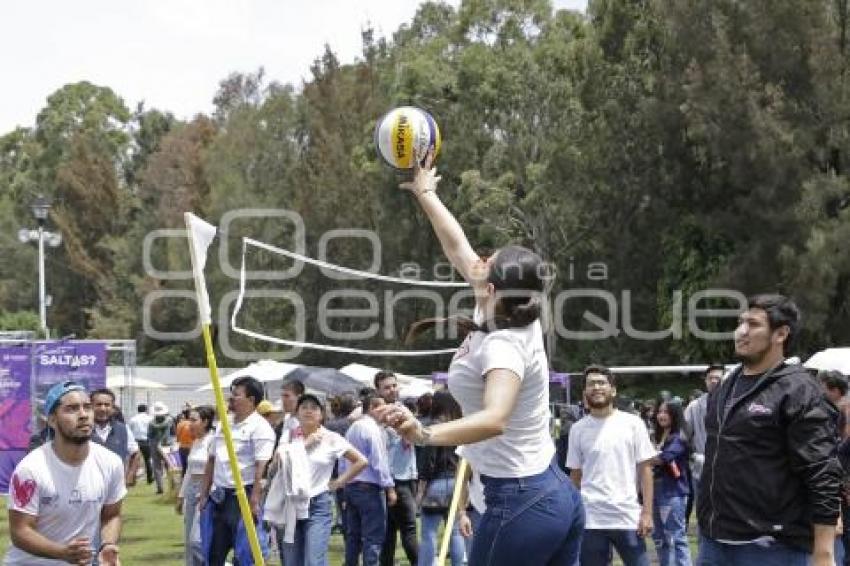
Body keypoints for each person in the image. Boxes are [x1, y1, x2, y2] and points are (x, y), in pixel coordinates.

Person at [378, 148, 584, 566]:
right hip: (550, 493)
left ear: (490, 288)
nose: (478, 260)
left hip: (521, 500)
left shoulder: (504, 345)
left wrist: (424, 434)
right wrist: (425, 193)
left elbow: (494, 418)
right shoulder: (497, 308)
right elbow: (458, 247)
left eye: (486, 263)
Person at [697, 294, 842, 566]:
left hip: (771, 547)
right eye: (740, 323)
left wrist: (824, 551)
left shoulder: (798, 389)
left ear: (781, 334)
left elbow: (821, 472)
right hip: (713, 543)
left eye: (753, 324)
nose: (741, 332)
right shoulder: (725, 387)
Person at [5, 381, 126, 565]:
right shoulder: (30, 469)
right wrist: (62, 552)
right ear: (52, 420)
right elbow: (20, 531)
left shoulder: (111, 463)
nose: (84, 415)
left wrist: (107, 544)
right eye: (72, 409)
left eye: (87, 407)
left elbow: (111, 515)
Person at [567, 365, 655, 566]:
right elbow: (575, 476)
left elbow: (646, 470)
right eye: (591, 384)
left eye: (601, 383)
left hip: (628, 517)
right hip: (590, 520)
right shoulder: (577, 430)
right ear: (584, 392)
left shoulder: (633, 424)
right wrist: (572, 516)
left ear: (613, 390)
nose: (596, 387)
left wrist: (647, 513)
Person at [267, 393, 368, 566]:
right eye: (304, 407)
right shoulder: (289, 435)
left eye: (314, 408)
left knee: (314, 561)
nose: (308, 411)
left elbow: (361, 461)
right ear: (297, 412)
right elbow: (277, 460)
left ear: (321, 414)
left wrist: (338, 482)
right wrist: (304, 445)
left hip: (318, 505)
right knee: (291, 561)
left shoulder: (331, 438)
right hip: (290, 504)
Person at [199, 376, 275, 566]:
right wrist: (203, 494)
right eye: (231, 394)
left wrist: (255, 501)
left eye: (236, 395)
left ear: (251, 400)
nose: (231, 398)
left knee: (245, 554)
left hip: (244, 496)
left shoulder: (260, 427)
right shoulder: (224, 423)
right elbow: (212, 460)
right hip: (219, 497)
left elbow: (261, 467)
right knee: (212, 553)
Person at [342, 394, 396, 566]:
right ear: (372, 407)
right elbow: (379, 460)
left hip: (351, 487)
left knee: (353, 537)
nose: (386, 413)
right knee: (373, 537)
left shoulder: (352, 429)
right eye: (383, 408)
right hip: (369, 488)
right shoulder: (372, 429)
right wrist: (389, 487)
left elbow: (343, 461)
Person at [416, 390, 466, 566]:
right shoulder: (461, 426)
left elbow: (428, 462)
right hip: (458, 482)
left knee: (428, 533)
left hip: (437, 482)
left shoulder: (434, 427)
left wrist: (421, 487)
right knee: (455, 532)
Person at [375, 371, 419, 566]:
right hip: (395, 480)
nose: (392, 389)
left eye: (394, 385)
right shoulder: (381, 414)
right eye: (387, 387)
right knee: (408, 530)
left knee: (390, 531)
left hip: (405, 476)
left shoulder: (401, 408)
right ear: (378, 390)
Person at [650, 400, 692, 566]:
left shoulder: (679, 437)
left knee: (676, 537)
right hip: (655, 490)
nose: (661, 415)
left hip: (673, 492)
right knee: (659, 537)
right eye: (659, 411)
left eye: (666, 412)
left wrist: (643, 459)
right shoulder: (657, 436)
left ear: (675, 415)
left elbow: (664, 458)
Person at [682, 364, 723, 530]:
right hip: (701, 466)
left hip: (728, 466)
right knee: (703, 509)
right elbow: (683, 436)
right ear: (705, 381)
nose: (713, 381)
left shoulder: (734, 402)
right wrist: (693, 456)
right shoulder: (695, 406)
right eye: (710, 378)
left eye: (717, 378)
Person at [175, 405, 215, 566]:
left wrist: (207, 491)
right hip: (192, 489)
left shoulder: (213, 440)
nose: (189, 424)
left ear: (205, 422)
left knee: (196, 541)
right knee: (188, 542)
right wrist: (181, 496)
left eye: (193, 420)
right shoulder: (196, 442)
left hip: (206, 490)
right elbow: (189, 471)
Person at [90, 388, 140, 487]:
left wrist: (130, 476)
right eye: (99, 404)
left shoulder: (123, 429)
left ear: (113, 407)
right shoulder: (82, 429)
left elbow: (135, 453)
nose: (103, 408)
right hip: (88, 484)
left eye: (107, 405)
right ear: (91, 406)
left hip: (115, 486)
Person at [148, 401, 173, 494]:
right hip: (167, 444)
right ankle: (173, 485)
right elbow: (173, 433)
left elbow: (149, 435)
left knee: (157, 466)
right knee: (170, 465)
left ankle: (160, 488)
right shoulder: (169, 420)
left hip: (155, 444)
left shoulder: (151, 423)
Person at [274, 380, 305, 452]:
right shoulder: (286, 419)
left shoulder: (305, 422)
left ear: (299, 398)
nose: (283, 399)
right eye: (282, 396)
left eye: (286, 396)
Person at [128, 404, 154, 484]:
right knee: (148, 460)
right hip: (146, 441)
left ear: (138, 410)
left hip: (136, 441)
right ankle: (150, 478)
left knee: (134, 461)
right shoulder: (150, 419)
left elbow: (130, 430)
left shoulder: (133, 419)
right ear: (146, 410)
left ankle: (133, 479)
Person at [175, 404, 194, 473]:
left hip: (182, 447)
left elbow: (177, 438)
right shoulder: (193, 424)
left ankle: (183, 482)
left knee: (184, 468)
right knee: (191, 468)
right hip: (191, 447)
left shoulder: (180, 424)